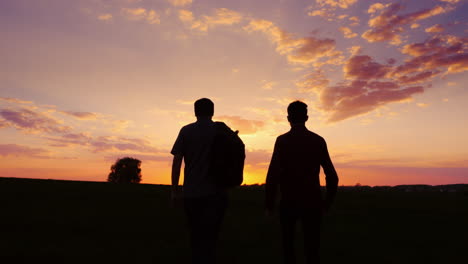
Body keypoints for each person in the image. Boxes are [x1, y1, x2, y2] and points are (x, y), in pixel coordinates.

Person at [265, 100, 339, 264]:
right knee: (312, 249)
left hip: (288, 201)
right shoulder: (318, 141)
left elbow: (272, 175)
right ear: (306, 117)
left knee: (288, 248)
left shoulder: (282, 141)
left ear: (288, 118)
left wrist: (269, 205)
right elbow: (332, 176)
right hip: (313, 201)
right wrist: (327, 203)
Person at [171, 98, 227, 264]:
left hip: (192, 193)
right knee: (212, 237)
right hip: (217, 193)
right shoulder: (221, 130)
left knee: (195, 235)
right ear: (212, 112)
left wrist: (174, 191)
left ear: (195, 112)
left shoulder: (186, 131)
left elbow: (177, 161)